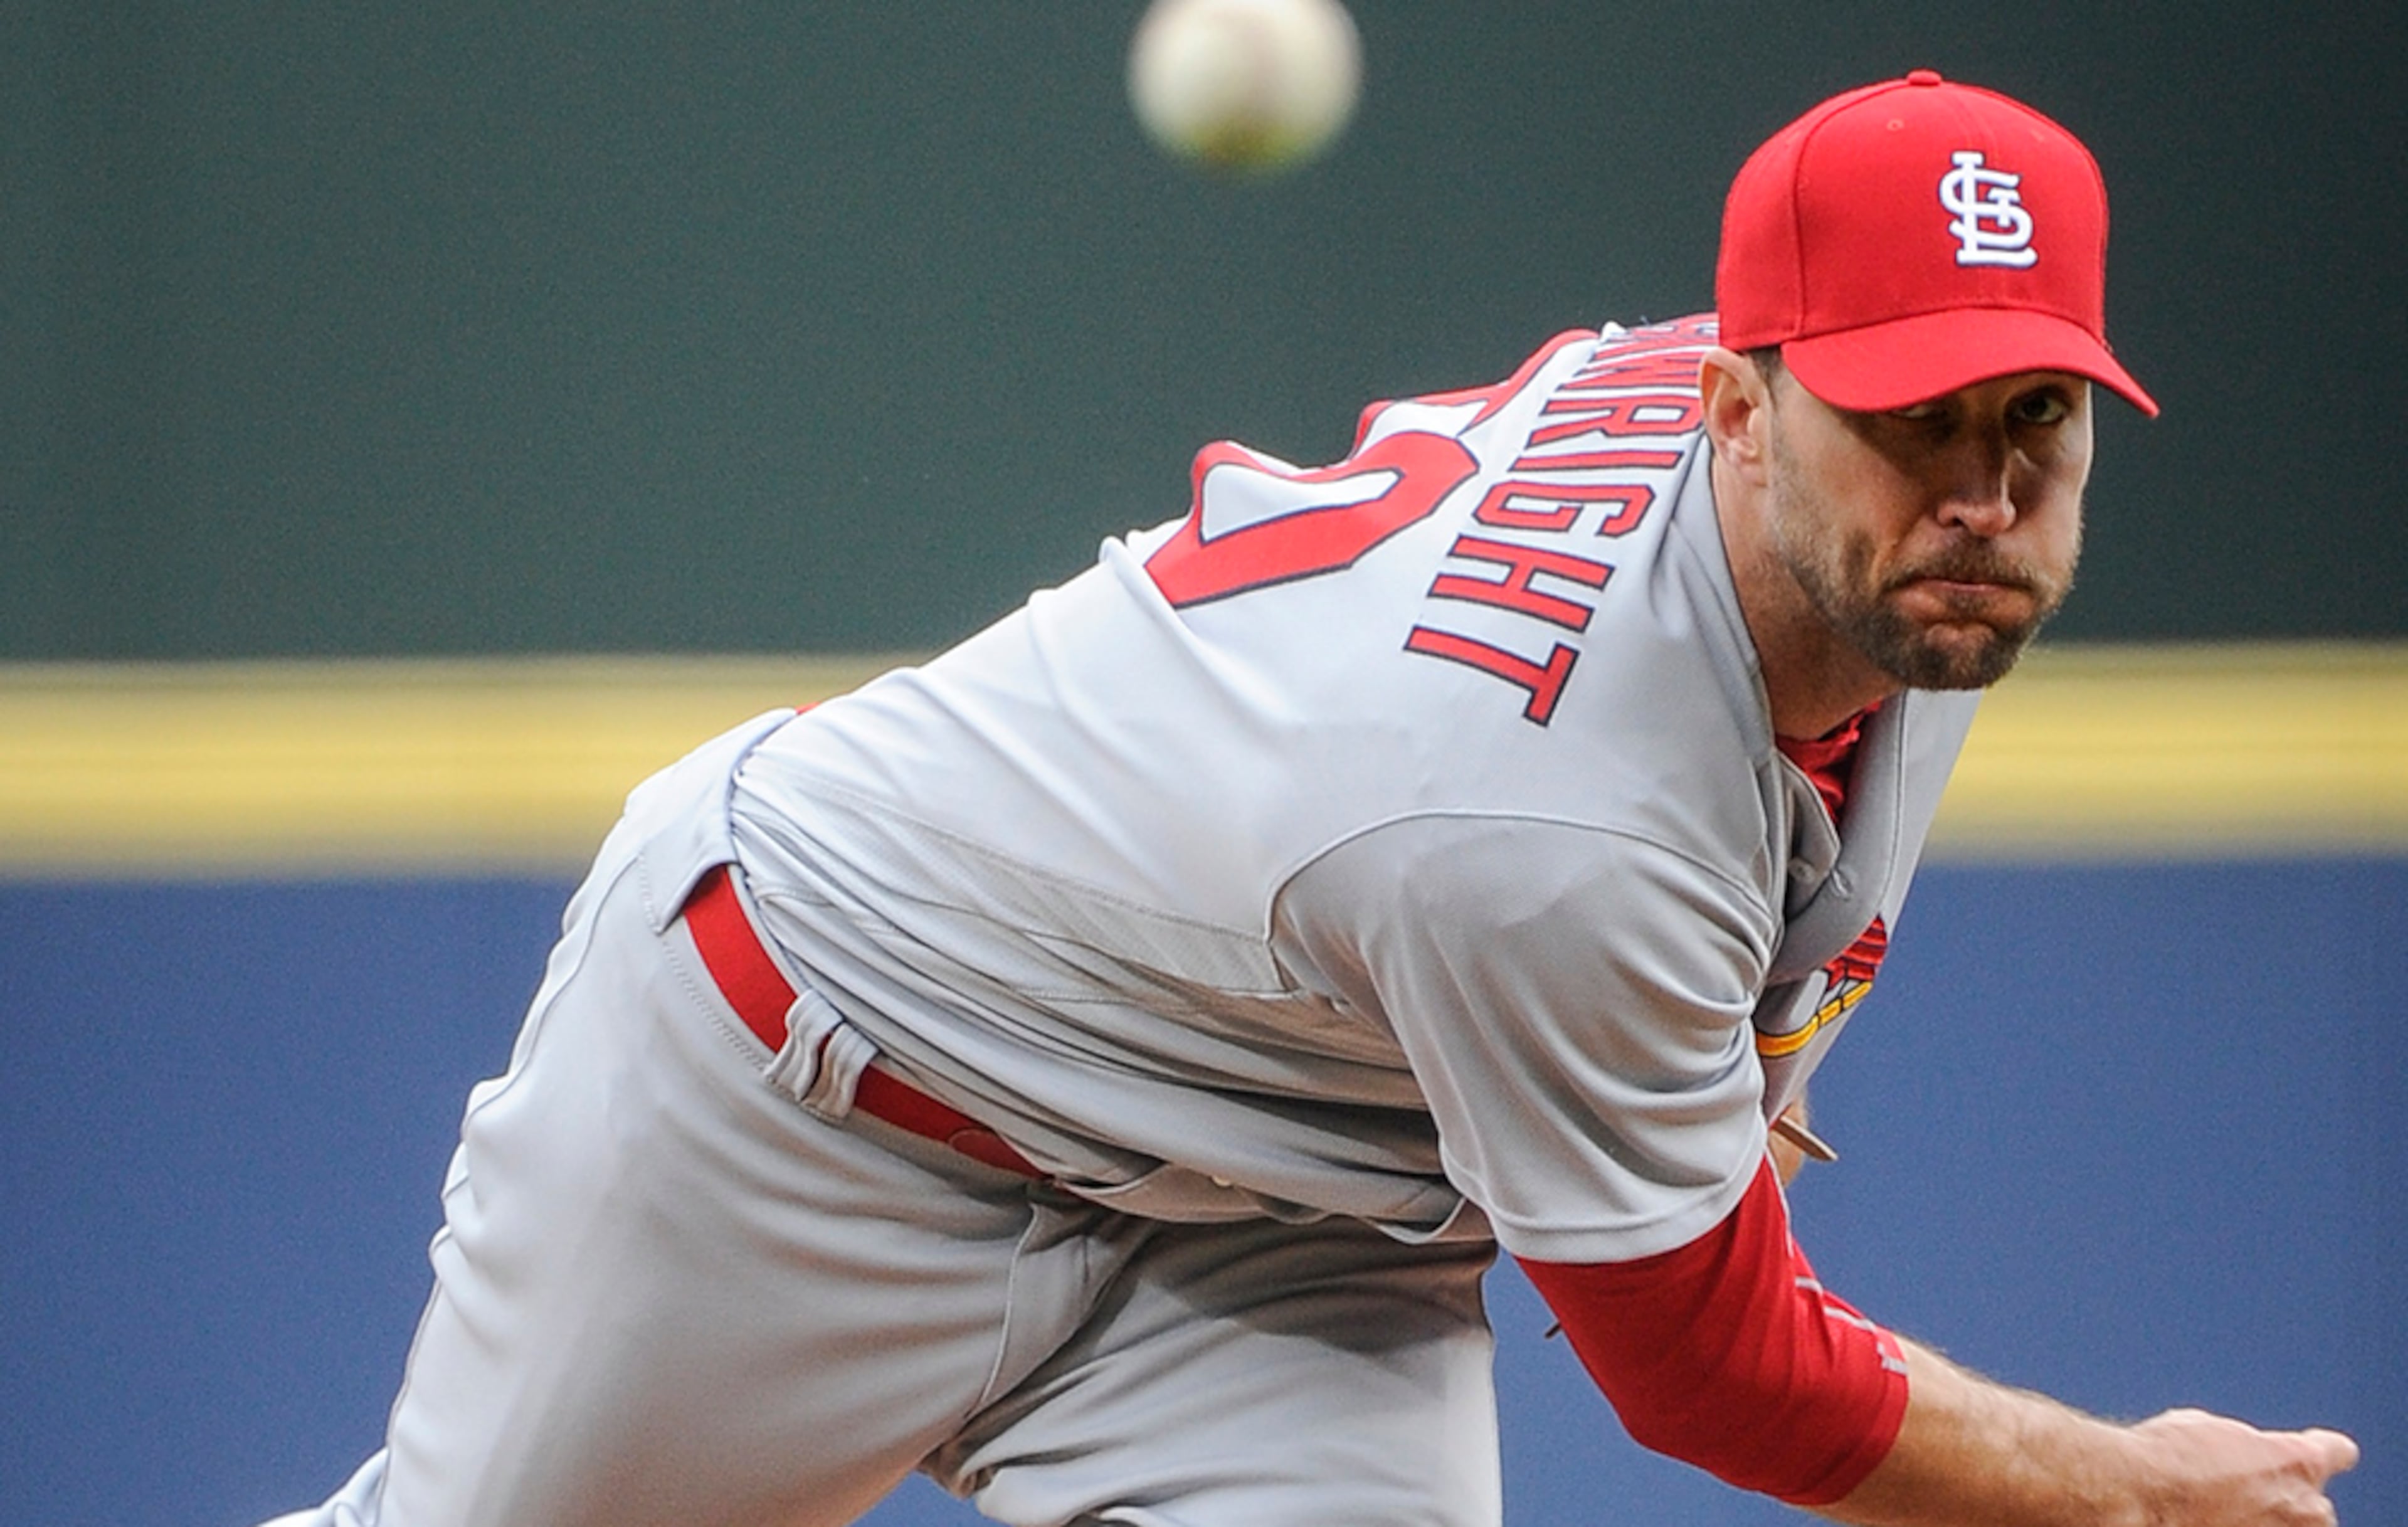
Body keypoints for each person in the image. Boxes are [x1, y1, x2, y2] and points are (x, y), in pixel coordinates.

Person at [268, 70, 2358, 1527]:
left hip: (1272, 1212)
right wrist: (2127, 1483)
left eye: (2036, 415)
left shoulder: (1884, 562)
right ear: (1734, 399)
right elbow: (1719, 1374)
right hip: (808, 1092)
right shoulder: (1556, 823)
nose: (1983, 486)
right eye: (1910, 414)